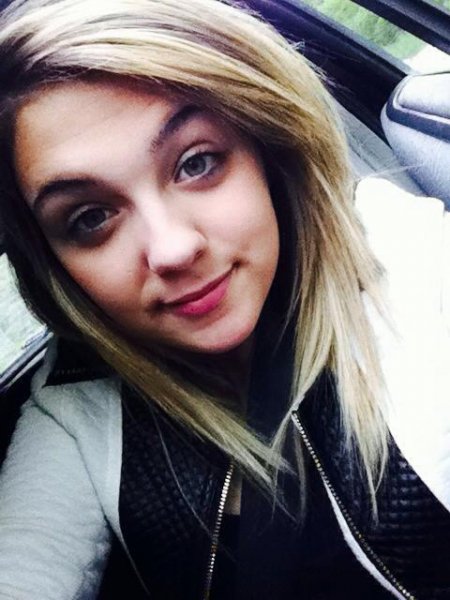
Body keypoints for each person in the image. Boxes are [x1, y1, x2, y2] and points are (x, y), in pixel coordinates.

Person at [0, 0, 448, 598]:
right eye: (90, 218)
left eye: (197, 163)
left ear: (267, 146)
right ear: (55, 265)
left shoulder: (408, 255)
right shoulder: (76, 407)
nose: (172, 248)